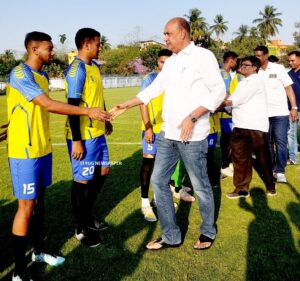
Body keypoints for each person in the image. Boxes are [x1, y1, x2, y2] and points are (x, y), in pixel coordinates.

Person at [110, 17, 225, 250]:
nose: (165, 39)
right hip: (167, 135)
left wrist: (193, 116)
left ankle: (207, 231)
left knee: (200, 185)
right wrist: (126, 104)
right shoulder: (171, 62)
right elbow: (154, 88)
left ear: (183, 33)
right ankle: (171, 235)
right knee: (158, 181)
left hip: (192, 137)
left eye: (168, 34)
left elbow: (219, 91)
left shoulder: (203, 57)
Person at [6, 31, 111, 281]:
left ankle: (39, 253)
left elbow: (26, 108)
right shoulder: (20, 73)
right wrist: (89, 112)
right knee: (26, 207)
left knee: (40, 206)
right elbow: (49, 105)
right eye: (49, 49)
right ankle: (19, 272)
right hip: (24, 152)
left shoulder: (42, 76)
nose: (53, 53)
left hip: (43, 148)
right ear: (34, 50)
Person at [64, 28, 112, 247]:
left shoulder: (94, 67)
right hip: (83, 135)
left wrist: (106, 119)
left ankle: (87, 213)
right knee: (82, 180)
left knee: (103, 170)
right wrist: (76, 140)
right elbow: (71, 107)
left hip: (98, 132)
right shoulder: (76, 70)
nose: (100, 47)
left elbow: (96, 99)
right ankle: (80, 226)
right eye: (98, 43)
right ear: (86, 45)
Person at [223, 56, 276, 199]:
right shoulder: (243, 82)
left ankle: (270, 185)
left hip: (255, 126)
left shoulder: (256, 81)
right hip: (240, 125)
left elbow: (236, 99)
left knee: (262, 158)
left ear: (255, 68)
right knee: (240, 159)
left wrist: (217, 105)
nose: (242, 67)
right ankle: (241, 189)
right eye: (241, 64)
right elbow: (232, 101)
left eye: (246, 65)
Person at [254, 46, 298, 183]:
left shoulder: (278, 69)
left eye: (259, 56)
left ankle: (280, 171)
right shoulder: (255, 72)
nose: (257, 58)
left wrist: (294, 107)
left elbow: (288, 88)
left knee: (281, 141)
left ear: (266, 55)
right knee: (267, 143)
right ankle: (271, 167)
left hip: (280, 114)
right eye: (255, 56)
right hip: (263, 114)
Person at [139, 49, 172, 222]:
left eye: (168, 62)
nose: (165, 65)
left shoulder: (174, 80)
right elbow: (142, 103)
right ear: (157, 63)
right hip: (152, 129)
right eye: (161, 62)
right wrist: (148, 127)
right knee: (148, 163)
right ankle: (145, 203)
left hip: (168, 129)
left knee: (163, 167)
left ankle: (159, 199)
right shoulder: (150, 79)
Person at [220, 51, 239, 178]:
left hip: (224, 112)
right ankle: (224, 166)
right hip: (225, 113)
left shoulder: (222, 73)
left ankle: (229, 163)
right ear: (231, 60)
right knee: (227, 140)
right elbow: (226, 94)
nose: (237, 63)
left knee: (229, 139)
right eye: (236, 60)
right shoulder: (224, 74)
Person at [287, 51, 300, 165]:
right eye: (289, 61)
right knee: (291, 133)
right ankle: (293, 158)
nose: (290, 63)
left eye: (293, 60)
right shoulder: (288, 74)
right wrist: (293, 107)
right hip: (293, 109)